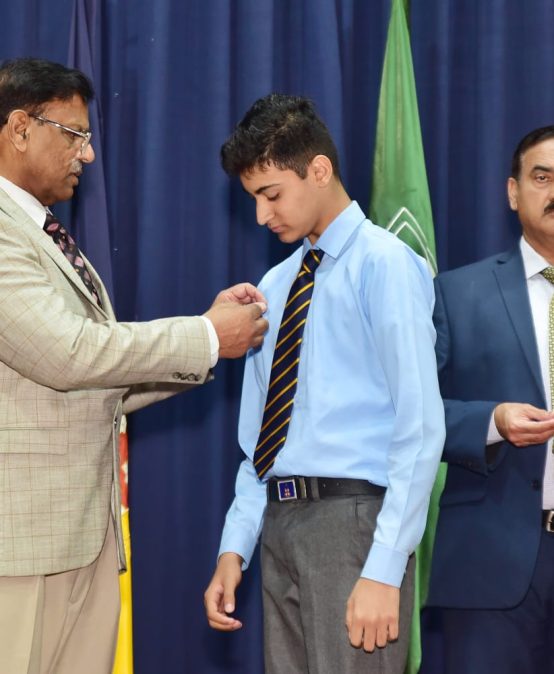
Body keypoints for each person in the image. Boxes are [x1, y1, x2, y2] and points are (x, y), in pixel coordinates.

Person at [0, 57, 268, 674]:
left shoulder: (42, 231)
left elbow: (100, 384)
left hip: (82, 542)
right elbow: (69, 353)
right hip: (20, 551)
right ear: (19, 128)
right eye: (75, 135)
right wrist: (205, 336)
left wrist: (207, 341)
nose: (88, 154)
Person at [203, 93, 445, 674]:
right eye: (253, 199)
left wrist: (385, 565)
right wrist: (236, 544)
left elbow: (419, 426)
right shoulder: (276, 283)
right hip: (280, 524)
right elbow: (262, 438)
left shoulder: (385, 264)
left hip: (355, 523)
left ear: (318, 169)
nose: (261, 216)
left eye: (271, 195)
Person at [426, 125, 554, 673]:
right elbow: (413, 416)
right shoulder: (457, 293)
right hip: (491, 559)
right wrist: (492, 422)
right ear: (513, 192)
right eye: (542, 177)